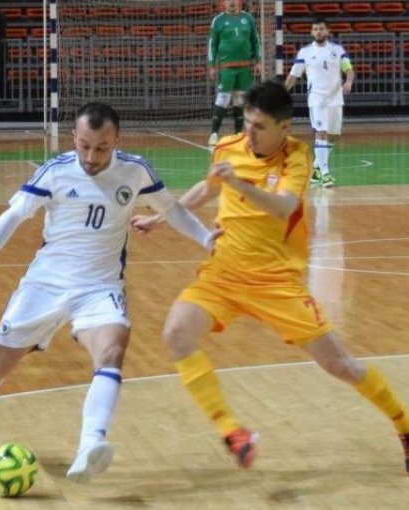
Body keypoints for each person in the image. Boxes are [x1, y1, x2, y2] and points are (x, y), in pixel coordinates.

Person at [131, 81, 409, 473]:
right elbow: (206, 188)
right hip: (225, 273)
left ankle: (404, 424)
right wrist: (161, 219)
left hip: (278, 281)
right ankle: (233, 432)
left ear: (285, 127)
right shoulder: (229, 148)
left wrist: (239, 184)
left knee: (341, 365)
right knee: (176, 332)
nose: (250, 132)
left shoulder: (297, 156)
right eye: (246, 123)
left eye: (259, 126)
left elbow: (284, 207)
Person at [0, 102, 218, 484]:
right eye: (85, 145)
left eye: (101, 148)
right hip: (45, 286)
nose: (91, 156)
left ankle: (91, 444)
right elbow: (12, 217)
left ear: (116, 140)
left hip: (100, 287)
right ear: (74, 138)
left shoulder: (135, 170)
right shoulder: (55, 172)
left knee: (112, 350)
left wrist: (206, 238)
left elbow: (171, 209)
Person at [284, 18, 354, 189]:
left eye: (321, 29)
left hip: (336, 99)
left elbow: (349, 69)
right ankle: (325, 173)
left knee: (334, 136)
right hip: (317, 99)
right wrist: (282, 92)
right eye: (315, 29)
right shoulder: (305, 52)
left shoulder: (337, 50)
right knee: (320, 133)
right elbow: (294, 75)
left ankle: (316, 167)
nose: (318, 32)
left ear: (327, 31)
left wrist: (349, 81)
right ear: (311, 32)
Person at [207, 0, 261, 149]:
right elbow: (212, 44)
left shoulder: (248, 18)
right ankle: (214, 134)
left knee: (240, 100)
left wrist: (258, 61)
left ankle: (238, 134)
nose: (231, 2)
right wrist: (212, 65)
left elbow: (255, 41)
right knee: (223, 99)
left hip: (245, 67)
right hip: (226, 68)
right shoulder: (218, 20)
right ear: (224, 3)